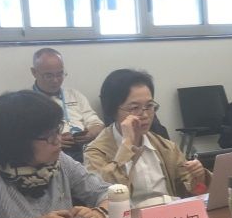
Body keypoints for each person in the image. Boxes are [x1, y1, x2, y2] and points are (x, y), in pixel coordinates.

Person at [84, 69, 208, 206]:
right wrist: (127, 146)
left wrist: (198, 177)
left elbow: (191, 193)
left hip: (169, 213)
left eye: (149, 106)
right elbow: (105, 197)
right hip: (128, 217)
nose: (145, 115)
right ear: (112, 110)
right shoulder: (95, 152)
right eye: (134, 108)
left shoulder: (166, 147)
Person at [29, 47, 104, 162]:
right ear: (34, 72)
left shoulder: (74, 95)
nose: (55, 80)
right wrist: (53, 140)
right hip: (53, 153)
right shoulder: (27, 102)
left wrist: (91, 133)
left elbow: (97, 124)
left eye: (60, 74)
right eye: (49, 76)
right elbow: (25, 138)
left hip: (85, 147)